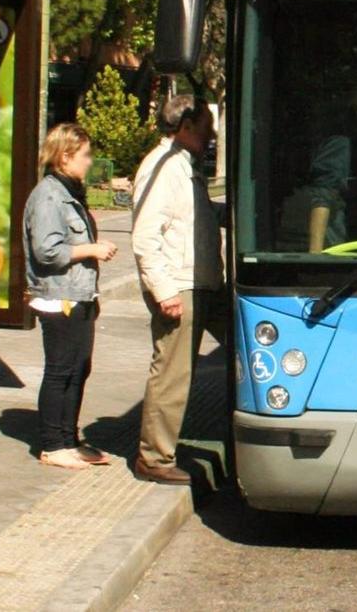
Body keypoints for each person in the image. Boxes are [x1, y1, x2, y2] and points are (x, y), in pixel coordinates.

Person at [131, 95, 224, 484]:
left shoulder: (184, 165)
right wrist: (163, 291)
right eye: (205, 125)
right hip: (180, 287)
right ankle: (154, 457)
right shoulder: (164, 166)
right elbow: (145, 237)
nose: (211, 132)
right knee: (172, 372)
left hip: (202, 283)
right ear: (185, 126)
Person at [23, 123, 118, 470]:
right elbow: (47, 251)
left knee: (79, 368)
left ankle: (69, 440)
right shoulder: (48, 195)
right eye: (85, 155)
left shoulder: (68, 192)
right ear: (64, 156)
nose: (90, 162)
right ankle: (52, 445)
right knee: (61, 369)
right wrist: (92, 248)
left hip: (78, 294)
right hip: (57, 296)